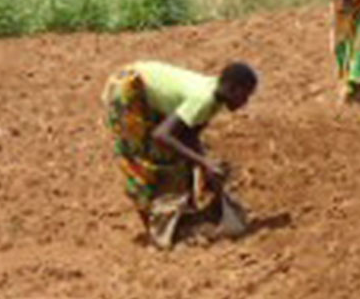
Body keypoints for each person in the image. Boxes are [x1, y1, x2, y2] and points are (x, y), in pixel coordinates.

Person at [101, 60, 259, 247]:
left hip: (140, 84)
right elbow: (161, 134)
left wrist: (204, 164)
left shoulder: (215, 99)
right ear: (232, 88)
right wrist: (204, 163)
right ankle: (155, 229)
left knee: (178, 157)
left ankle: (178, 218)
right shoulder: (204, 99)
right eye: (244, 96)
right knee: (143, 159)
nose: (245, 103)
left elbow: (189, 135)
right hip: (128, 89)